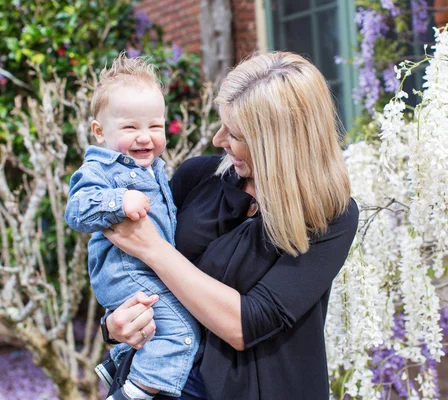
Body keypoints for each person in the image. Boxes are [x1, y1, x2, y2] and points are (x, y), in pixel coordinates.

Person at [101, 51, 359, 400]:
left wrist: (155, 249)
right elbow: (131, 270)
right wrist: (114, 324)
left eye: (235, 133)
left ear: (276, 143)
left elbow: (247, 323)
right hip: (158, 381)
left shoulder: (329, 215)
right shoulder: (197, 178)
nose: (218, 140)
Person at [64, 53, 201, 400]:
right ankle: (134, 393)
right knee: (182, 332)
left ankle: (119, 360)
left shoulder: (153, 168)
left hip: (144, 269)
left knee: (164, 323)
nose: (145, 137)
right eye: (130, 127)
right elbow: (76, 210)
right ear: (99, 131)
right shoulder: (101, 168)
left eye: (154, 126)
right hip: (125, 273)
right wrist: (118, 202)